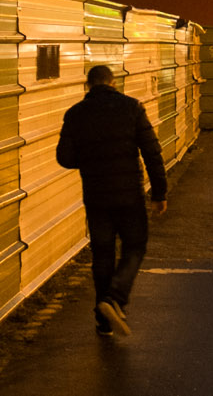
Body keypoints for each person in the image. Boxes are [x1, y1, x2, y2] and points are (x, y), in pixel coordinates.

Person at [55, 64, 168, 337]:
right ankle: (114, 298)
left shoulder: (75, 114)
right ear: (113, 83)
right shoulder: (132, 108)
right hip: (129, 193)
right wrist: (160, 193)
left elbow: (65, 158)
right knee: (135, 245)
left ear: (88, 85)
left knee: (102, 254)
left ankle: (104, 320)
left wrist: (91, 158)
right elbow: (152, 152)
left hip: (96, 195)